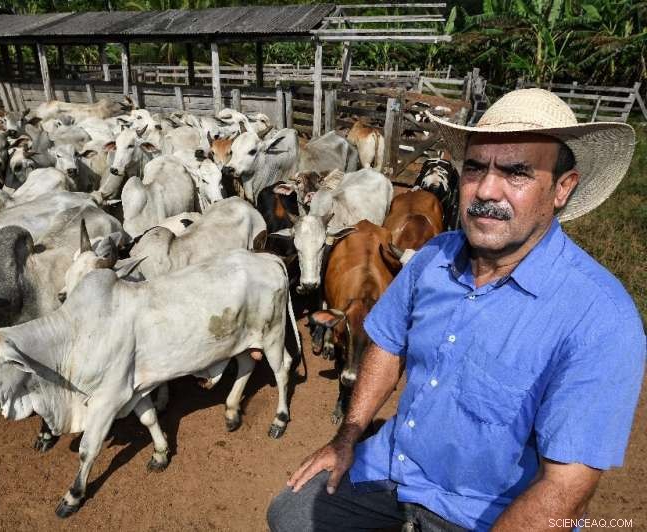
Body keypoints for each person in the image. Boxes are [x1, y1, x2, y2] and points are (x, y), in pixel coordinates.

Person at [267, 88, 646, 532]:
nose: (486, 189)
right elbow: (387, 347)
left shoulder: (601, 319)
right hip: (394, 471)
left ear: (563, 189)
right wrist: (347, 436)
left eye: (516, 173)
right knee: (290, 513)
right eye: (475, 167)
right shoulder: (431, 258)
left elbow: (565, 490)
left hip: (485, 511)